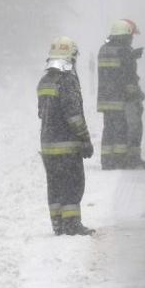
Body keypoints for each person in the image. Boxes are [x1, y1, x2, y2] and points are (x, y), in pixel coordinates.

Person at [37, 36, 95, 236]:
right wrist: (85, 138)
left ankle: (58, 223)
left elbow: (40, 113)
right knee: (72, 184)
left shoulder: (45, 80)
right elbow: (74, 115)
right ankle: (71, 224)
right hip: (67, 145)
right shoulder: (67, 80)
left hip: (48, 144)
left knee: (54, 185)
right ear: (71, 56)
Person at [96, 19, 144, 169]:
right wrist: (136, 95)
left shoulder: (103, 49)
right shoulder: (125, 51)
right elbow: (128, 77)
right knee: (121, 130)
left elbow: (111, 73)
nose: (132, 39)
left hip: (105, 99)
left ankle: (107, 160)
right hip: (120, 98)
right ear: (125, 35)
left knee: (108, 129)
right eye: (131, 36)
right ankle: (120, 160)